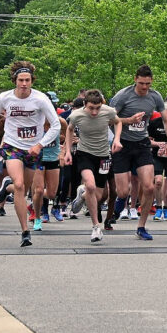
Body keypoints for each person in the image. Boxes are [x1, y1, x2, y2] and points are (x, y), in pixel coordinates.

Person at [0, 61, 61, 247]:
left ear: (32, 81)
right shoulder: (5, 97)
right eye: (21, 80)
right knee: (19, 185)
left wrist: (40, 144)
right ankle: (25, 231)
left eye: (27, 80)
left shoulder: (40, 99)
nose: (24, 84)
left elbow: (56, 125)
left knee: (26, 189)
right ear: (15, 80)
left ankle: (7, 188)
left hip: (33, 149)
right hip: (12, 146)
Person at [111, 65, 167, 240]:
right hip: (122, 144)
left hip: (142, 144)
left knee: (149, 186)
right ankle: (119, 202)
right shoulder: (123, 96)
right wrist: (129, 120)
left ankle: (141, 226)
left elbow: (166, 120)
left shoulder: (155, 96)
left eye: (147, 83)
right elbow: (110, 119)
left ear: (151, 81)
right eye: (141, 83)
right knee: (123, 191)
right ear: (135, 79)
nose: (144, 87)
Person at [65, 89, 122, 242]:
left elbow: (118, 122)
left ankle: (82, 196)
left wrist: (117, 139)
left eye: (97, 108)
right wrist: (68, 152)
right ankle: (96, 227)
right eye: (91, 108)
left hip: (103, 155)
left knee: (96, 195)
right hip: (85, 154)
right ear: (85, 105)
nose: (95, 112)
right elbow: (69, 130)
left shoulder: (108, 111)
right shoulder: (76, 115)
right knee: (90, 185)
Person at [149, 101, 167, 221]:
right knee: (158, 181)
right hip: (157, 156)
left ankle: (166, 208)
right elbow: (148, 140)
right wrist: (157, 144)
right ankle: (158, 206)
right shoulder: (154, 123)